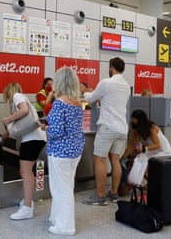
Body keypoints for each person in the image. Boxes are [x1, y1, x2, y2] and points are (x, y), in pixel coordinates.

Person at [82, 57, 130, 206]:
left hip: (108, 126)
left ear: (111, 67)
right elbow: (110, 101)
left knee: (99, 159)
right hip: (122, 128)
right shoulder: (126, 86)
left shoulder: (106, 83)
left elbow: (90, 99)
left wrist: (85, 92)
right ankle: (114, 193)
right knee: (115, 160)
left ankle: (100, 195)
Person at [45, 67, 85, 236]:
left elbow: (55, 131)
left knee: (61, 189)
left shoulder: (59, 103)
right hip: (75, 150)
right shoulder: (77, 103)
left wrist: (45, 127)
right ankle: (56, 217)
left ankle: (65, 226)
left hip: (60, 151)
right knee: (67, 186)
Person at [1, 82, 47, 220]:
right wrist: (2, 137)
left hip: (31, 139)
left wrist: (8, 119)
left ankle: (27, 207)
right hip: (37, 138)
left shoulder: (17, 96)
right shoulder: (20, 99)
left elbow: (25, 110)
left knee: (25, 171)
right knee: (26, 171)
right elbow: (13, 129)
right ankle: (28, 202)